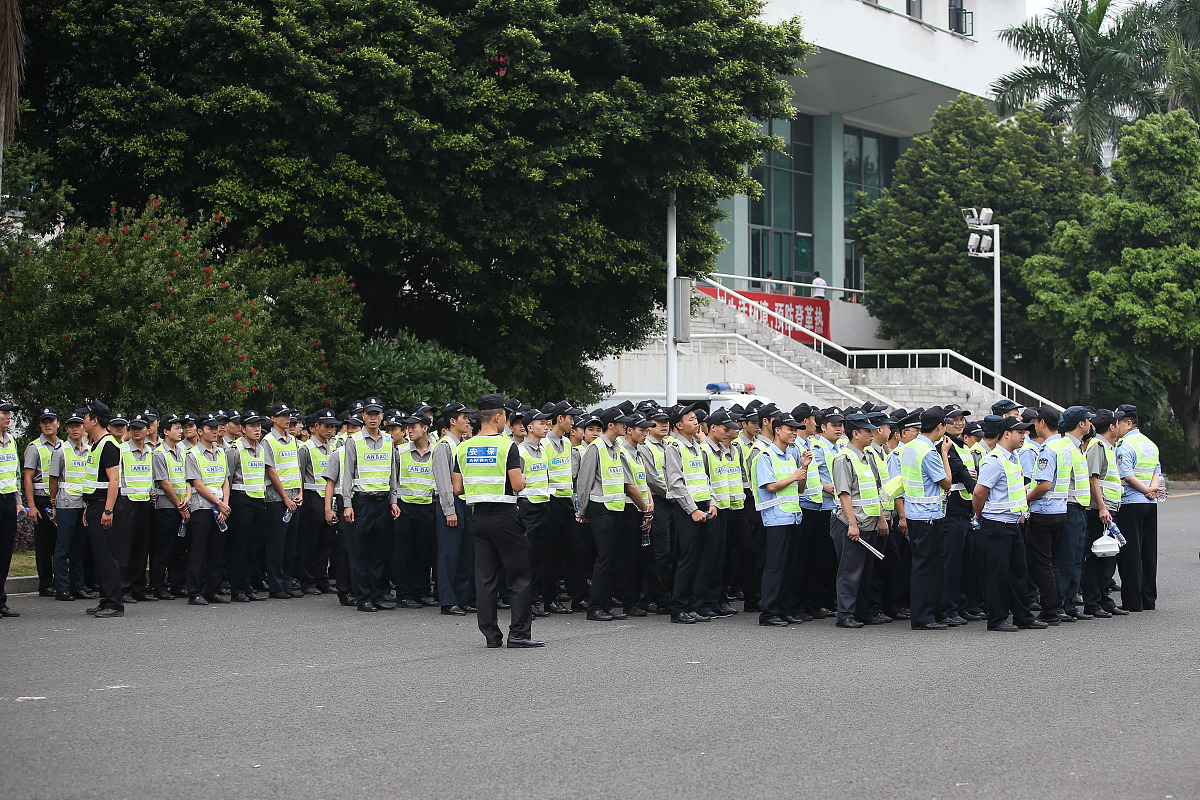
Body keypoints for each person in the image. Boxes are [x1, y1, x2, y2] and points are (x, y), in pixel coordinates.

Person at [452, 393, 542, 648]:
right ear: (499, 416)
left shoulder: (463, 447)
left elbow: (457, 489)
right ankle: (519, 634)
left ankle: (491, 636)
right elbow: (517, 484)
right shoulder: (507, 446)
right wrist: (523, 479)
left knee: (485, 577)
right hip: (505, 516)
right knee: (520, 576)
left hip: (478, 517)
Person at [971, 415, 1047, 632]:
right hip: (996, 524)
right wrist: (980, 514)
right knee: (998, 574)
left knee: (1019, 572)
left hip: (1012, 523)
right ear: (1006, 434)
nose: (1024, 436)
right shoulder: (993, 460)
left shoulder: (1013, 459)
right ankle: (997, 619)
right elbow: (979, 493)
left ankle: (1022, 615)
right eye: (1020, 432)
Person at [339, 397, 401, 612]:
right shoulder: (353, 441)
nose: (373, 418)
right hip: (362, 502)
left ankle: (376, 595)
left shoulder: (388, 440)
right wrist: (347, 504)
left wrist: (393, 500)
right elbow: (347, 475)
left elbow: (392, 473)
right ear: (363, 416)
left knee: (378, 552)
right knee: (359, 552)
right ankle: (362, 597)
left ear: (382, 417)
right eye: (369, 414)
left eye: (377, 414)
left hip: (382, 502)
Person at [575, 406, 638, 621]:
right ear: (611, 425)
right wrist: (582, 509)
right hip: (600, 508)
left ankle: (607, 604)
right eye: (622, 423)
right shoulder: (596, 448)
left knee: (612, 558)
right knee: (604, 558)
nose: (625, 426)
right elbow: (584, 481)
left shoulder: (617, 447)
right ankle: (594, 608)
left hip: (616, 509)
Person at [830, 413, 888, 628]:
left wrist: (881, 519)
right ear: (855, 433)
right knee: (850, 571)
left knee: (866, 572)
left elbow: (875, 491)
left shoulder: (869, 456)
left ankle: (862, 612)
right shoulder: (844, 458)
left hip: (870, 522)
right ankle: (845, 614)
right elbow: (844, 494)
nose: (872, 434)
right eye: (867, 431)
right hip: (851, 524)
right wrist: (852, 524)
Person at [901, 406, 954, 630]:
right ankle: (923, 617)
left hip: (915, 512)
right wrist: (944, 455)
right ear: (940, 426)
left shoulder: (909, 447)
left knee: (927, 565)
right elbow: (946, 482)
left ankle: (933, 612)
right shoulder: (929, 452)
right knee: (927, 567)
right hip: (928, 515)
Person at [664, 403, 717, 624]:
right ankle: (678, 608)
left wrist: (712, 502)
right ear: (678, 424)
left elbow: (705, 478)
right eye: (690, 419)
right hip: (687, 509)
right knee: (687, 559)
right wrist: (693, 510)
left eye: (696, 418)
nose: (696, 422)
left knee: (699, 558)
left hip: (702, 505)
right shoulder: (673, 447)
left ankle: (692, 605)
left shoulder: (697, 446)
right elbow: (676, 484)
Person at [755, 413, 808, 627]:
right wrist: (795, 476)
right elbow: (770, 486)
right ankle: (768, 612)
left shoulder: (790, 456)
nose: (794, 433)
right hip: (776, 518)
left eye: (796, 429)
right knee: (775, 567)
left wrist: (803, 467)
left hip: (793, 516)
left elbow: (800, 488)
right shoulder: (766, 456)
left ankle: (784, 609)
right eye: (790, 429)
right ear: (777, 430)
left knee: (790, 567)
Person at [1114, 404, 1161, 612]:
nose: (1116, 427)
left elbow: (1127, 475)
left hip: (1131, 503)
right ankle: (1148, 599)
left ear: (1129, 423)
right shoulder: (1150, 444)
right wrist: (1151, 490)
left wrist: (1143, 490)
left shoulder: (1124, 445)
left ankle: (1133, 601)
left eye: (1119, 423)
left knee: (1130, 553)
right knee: (1149, 551)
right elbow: (1157, 472)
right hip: (1150, 503)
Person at [1081, 409, 1128, 618]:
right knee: (1097, 556)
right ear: (1111, 426)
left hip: (1109, 508)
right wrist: (1102, 507)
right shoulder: (1097, 446)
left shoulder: (1108, 446)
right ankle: (1093, 601)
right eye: (1118, 423)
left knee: (1108, 556)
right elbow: (1093, 479)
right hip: (1099, 510)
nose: (1121, 427)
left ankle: (1103, 598)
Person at [80, 400, 125, 618]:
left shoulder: (108, 445)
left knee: (107, 556)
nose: (83, 421)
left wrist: (108, 510)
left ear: (95, 420)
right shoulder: (96, 445)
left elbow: (113, 480)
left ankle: (115, 603)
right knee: (99, 555)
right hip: (95, 505)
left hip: (105, 507)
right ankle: (106, 598)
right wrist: (88, 507)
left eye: (85, 417)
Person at [798, 407, 843, 618]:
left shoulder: (840, 446)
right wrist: (825, 486)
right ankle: (817, 601)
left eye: (841, 425)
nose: (839, 429)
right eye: (834, 425)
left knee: (832, 559)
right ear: (822, 427)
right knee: (821, 559)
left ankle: (828, 599)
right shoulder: (816, 447)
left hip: (837, 508)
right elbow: (812, 475)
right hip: (822, 506)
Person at [1024, 406, 1067, 624]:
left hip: (1044, 511)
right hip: (1060, 510)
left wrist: (1025, 499)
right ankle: (1056, 606)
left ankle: (1050, 609)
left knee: (1041, 564)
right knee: (1052, 563)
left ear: (1041, 423)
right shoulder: (1064, 446)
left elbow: (1044, 485)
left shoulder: (1048, 450)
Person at [542, 401, 586, 613]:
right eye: (570, 418)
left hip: (567, 503)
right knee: (551, 553)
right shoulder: (545, 444)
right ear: (560, 419)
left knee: (577, 550)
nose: (573, 422)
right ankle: (549, 598)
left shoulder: (568, 444)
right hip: (551, 503)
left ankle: (578, 597)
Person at [184, 412, 231, 605]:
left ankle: (212, 589)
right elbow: (198, 484)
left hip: (220, 509)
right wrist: (219, 503)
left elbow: (225, 481)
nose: (215, 431)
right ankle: (194, 592)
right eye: (210, 428)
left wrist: (224, 504)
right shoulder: (192, 455)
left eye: (216, 427)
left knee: (217, 551)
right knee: (198, 551)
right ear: (200, 431)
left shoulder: (221, 452)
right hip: (202, 508)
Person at [433, 401, 475, 615]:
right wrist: (449, 510)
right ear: (452, 421)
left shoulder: (461, 445)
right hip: (450, 503)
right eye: (464, 417)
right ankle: (447, 601)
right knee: (448, 553)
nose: (467, 421)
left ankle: (461, 597)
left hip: (465, 502)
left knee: (463, 553)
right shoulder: (444, 446)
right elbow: (443, 482)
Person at [393, 413, 438, 608]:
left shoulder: (437, 451)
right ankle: (404, 593)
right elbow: (392, 479)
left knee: (424, 551)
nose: (409, 430)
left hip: (428, 506)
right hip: (405, 507)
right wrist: (393, 502)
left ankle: (421, 591)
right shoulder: (400, 451)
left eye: (414, 426)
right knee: (404, 552)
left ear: (426, 428)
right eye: (408, 427)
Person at [50, 409, 93, 601]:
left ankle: (78, 585)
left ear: (84, 428)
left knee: (79, 548)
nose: (75, 430)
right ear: (66, 429)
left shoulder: (90, 450)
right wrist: (53, 502)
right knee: (63, 547)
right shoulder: (60, 451)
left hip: (83, 504)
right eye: (71, 426)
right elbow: (53, 479)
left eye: (78, 426)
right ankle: (61, 587)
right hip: (66, 503)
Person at [940, 404, 977, 626]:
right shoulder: (944, 444)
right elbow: (961, 473)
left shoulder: (962, 446)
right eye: (954, 419)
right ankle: (949, 608)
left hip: (964, 510)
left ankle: (961, 606)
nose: (960, 422)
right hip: (951, 510)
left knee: (964, 563)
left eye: (962, 418)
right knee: (951, 564)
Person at [225, 410, 268, 602]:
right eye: (252, 426)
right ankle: (238, 588)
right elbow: (228, 476)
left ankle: (248, 584)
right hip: (241, 499)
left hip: (259, 499)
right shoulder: (235, 450)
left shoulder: (261, 449)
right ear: (242, 429)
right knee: (240, 546)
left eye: (258, 425)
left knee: (253, 546)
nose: (257, 429)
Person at [1057, 406, 1095, 620]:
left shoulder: (1079, 447)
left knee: (1076, 558)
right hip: (1069, 508)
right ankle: (1062, 604)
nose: (1091, 424)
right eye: (1088, 420)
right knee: (1067, 558)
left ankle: (1070, 604)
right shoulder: (1065, 447)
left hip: (1079, 508)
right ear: (1081, 424)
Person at [263, 403, 304, 599]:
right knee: (277, 544)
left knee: (290, 544)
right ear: (273, 419)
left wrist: (300, 492)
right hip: (277, 499)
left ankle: (287, 583)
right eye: (282, 416)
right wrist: (286, 498)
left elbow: (297, 468)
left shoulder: (293, 441)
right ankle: (276, 585)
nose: (287, 419)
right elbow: (271, 471)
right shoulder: (268, 441)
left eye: (288, 416)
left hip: (294, 497)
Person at [297, 409, 340, 595]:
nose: (330, 430)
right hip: (311, 496)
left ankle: (322, 580)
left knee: (327, 541)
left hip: (329, 498)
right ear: (315, 427)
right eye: (326, 426)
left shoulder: (334, 448)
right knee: (310, 541)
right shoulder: (306, 448)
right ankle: (307, 581)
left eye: (333, 427)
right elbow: (299, 473)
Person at [516, 407, 553, 616]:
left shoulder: (543, 449)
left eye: (546, 423)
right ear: (529, 427)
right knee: (526, 558)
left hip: (543, 506)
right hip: (527, 508)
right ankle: (524, 603)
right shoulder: (521, 451)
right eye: (541, 423)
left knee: (539, 557)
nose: (545, 426)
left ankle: (534, 599)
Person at [117, 413, 158, 603]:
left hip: (145, 503)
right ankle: (124, 589)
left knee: (142, 549)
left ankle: (139, 588)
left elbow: (151, 476)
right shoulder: (122, 450)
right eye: (133, 428)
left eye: (140, 428)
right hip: (127, 502)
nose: (136, 431)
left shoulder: (151, 451)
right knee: (125, 548)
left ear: (147, 430)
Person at [637, 404, 674, 615]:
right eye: (658, 423)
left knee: (670, 552)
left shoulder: (669, 444)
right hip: (659, 500)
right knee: (660, 552)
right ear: (649, 427)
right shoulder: (645, 447)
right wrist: (673, 494)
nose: (663, 426)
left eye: (666, 422)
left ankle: (663, 594)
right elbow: (653, 478)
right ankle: (648, 597)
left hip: (672, 501)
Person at [23, 405, 62, 597]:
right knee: (44, 544)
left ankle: (59, 580)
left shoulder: (63, 446)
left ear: (57, 423)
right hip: (41, 499)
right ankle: (45, 583)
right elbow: (28, 477)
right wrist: (31, 506)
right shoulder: (34, 448)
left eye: (51, 421)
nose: (48, 425)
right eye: (45, 422)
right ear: (40, 425)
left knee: (59, 542)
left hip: (59, 499)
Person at [150, 413, 189, 600]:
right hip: (167, 506)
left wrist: (187, 499)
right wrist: (179, 505)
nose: (180, 431)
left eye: (180, 428)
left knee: (179, 547)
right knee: (163, 548)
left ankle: (177, 583)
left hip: (182, 505)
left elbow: (189, 478)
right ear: (165, 431)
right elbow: (164, 482)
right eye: (176, 428)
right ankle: (158, 585)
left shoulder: (183, 451)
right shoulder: (159, 453)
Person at [0, 399, 24, 617]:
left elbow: (14, 474)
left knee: (5, 552)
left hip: (8, 500)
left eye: (10, 413)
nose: (8, 417)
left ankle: (1, 601)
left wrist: (17, 502)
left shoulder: (10, 441)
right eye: (4, 413)